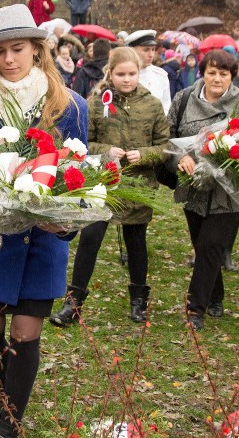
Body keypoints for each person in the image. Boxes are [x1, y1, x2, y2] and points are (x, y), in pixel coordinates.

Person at [0, 4, 87, 438]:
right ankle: (6, 393)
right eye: (0, 52)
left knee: (25, 335)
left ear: (37, 49)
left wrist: (63, 222)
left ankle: (9, 416)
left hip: (42, 243)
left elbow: (81, 178)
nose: (9, 59)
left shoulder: (69, 105)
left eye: (18, 49)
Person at [50, 46, 168, 327]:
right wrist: (105, 151)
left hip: (137, 185)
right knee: (90, 239)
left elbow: (165, 145)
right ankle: (74, 303)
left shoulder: (152, 105)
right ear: (110, 73)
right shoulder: (96, 103)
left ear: (140, 73)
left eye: (132, 74)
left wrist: (145, 154)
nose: (126, 79)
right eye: (121, 74)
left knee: (136, 242)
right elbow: (83, 142)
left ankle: (139, 300)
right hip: (102, 183)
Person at [169, 50, 239, 331]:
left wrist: (230, 159)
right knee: (202, 244)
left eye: (223, 74)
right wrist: (179, 157)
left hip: (228, 191)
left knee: (211, 245)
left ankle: (196, 308)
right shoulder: (183, 99)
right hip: (193, 186)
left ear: (232, 76)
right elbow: (167, 138)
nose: (217, 79)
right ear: (202, 73)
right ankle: (216, 294)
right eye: (212, 72)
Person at [126, 29, 171, 114]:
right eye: (146, 50)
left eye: (153, 49)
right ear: (132, 50)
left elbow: (166, 106)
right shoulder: (122, 75)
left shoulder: (160, 75)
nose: (151, 55)